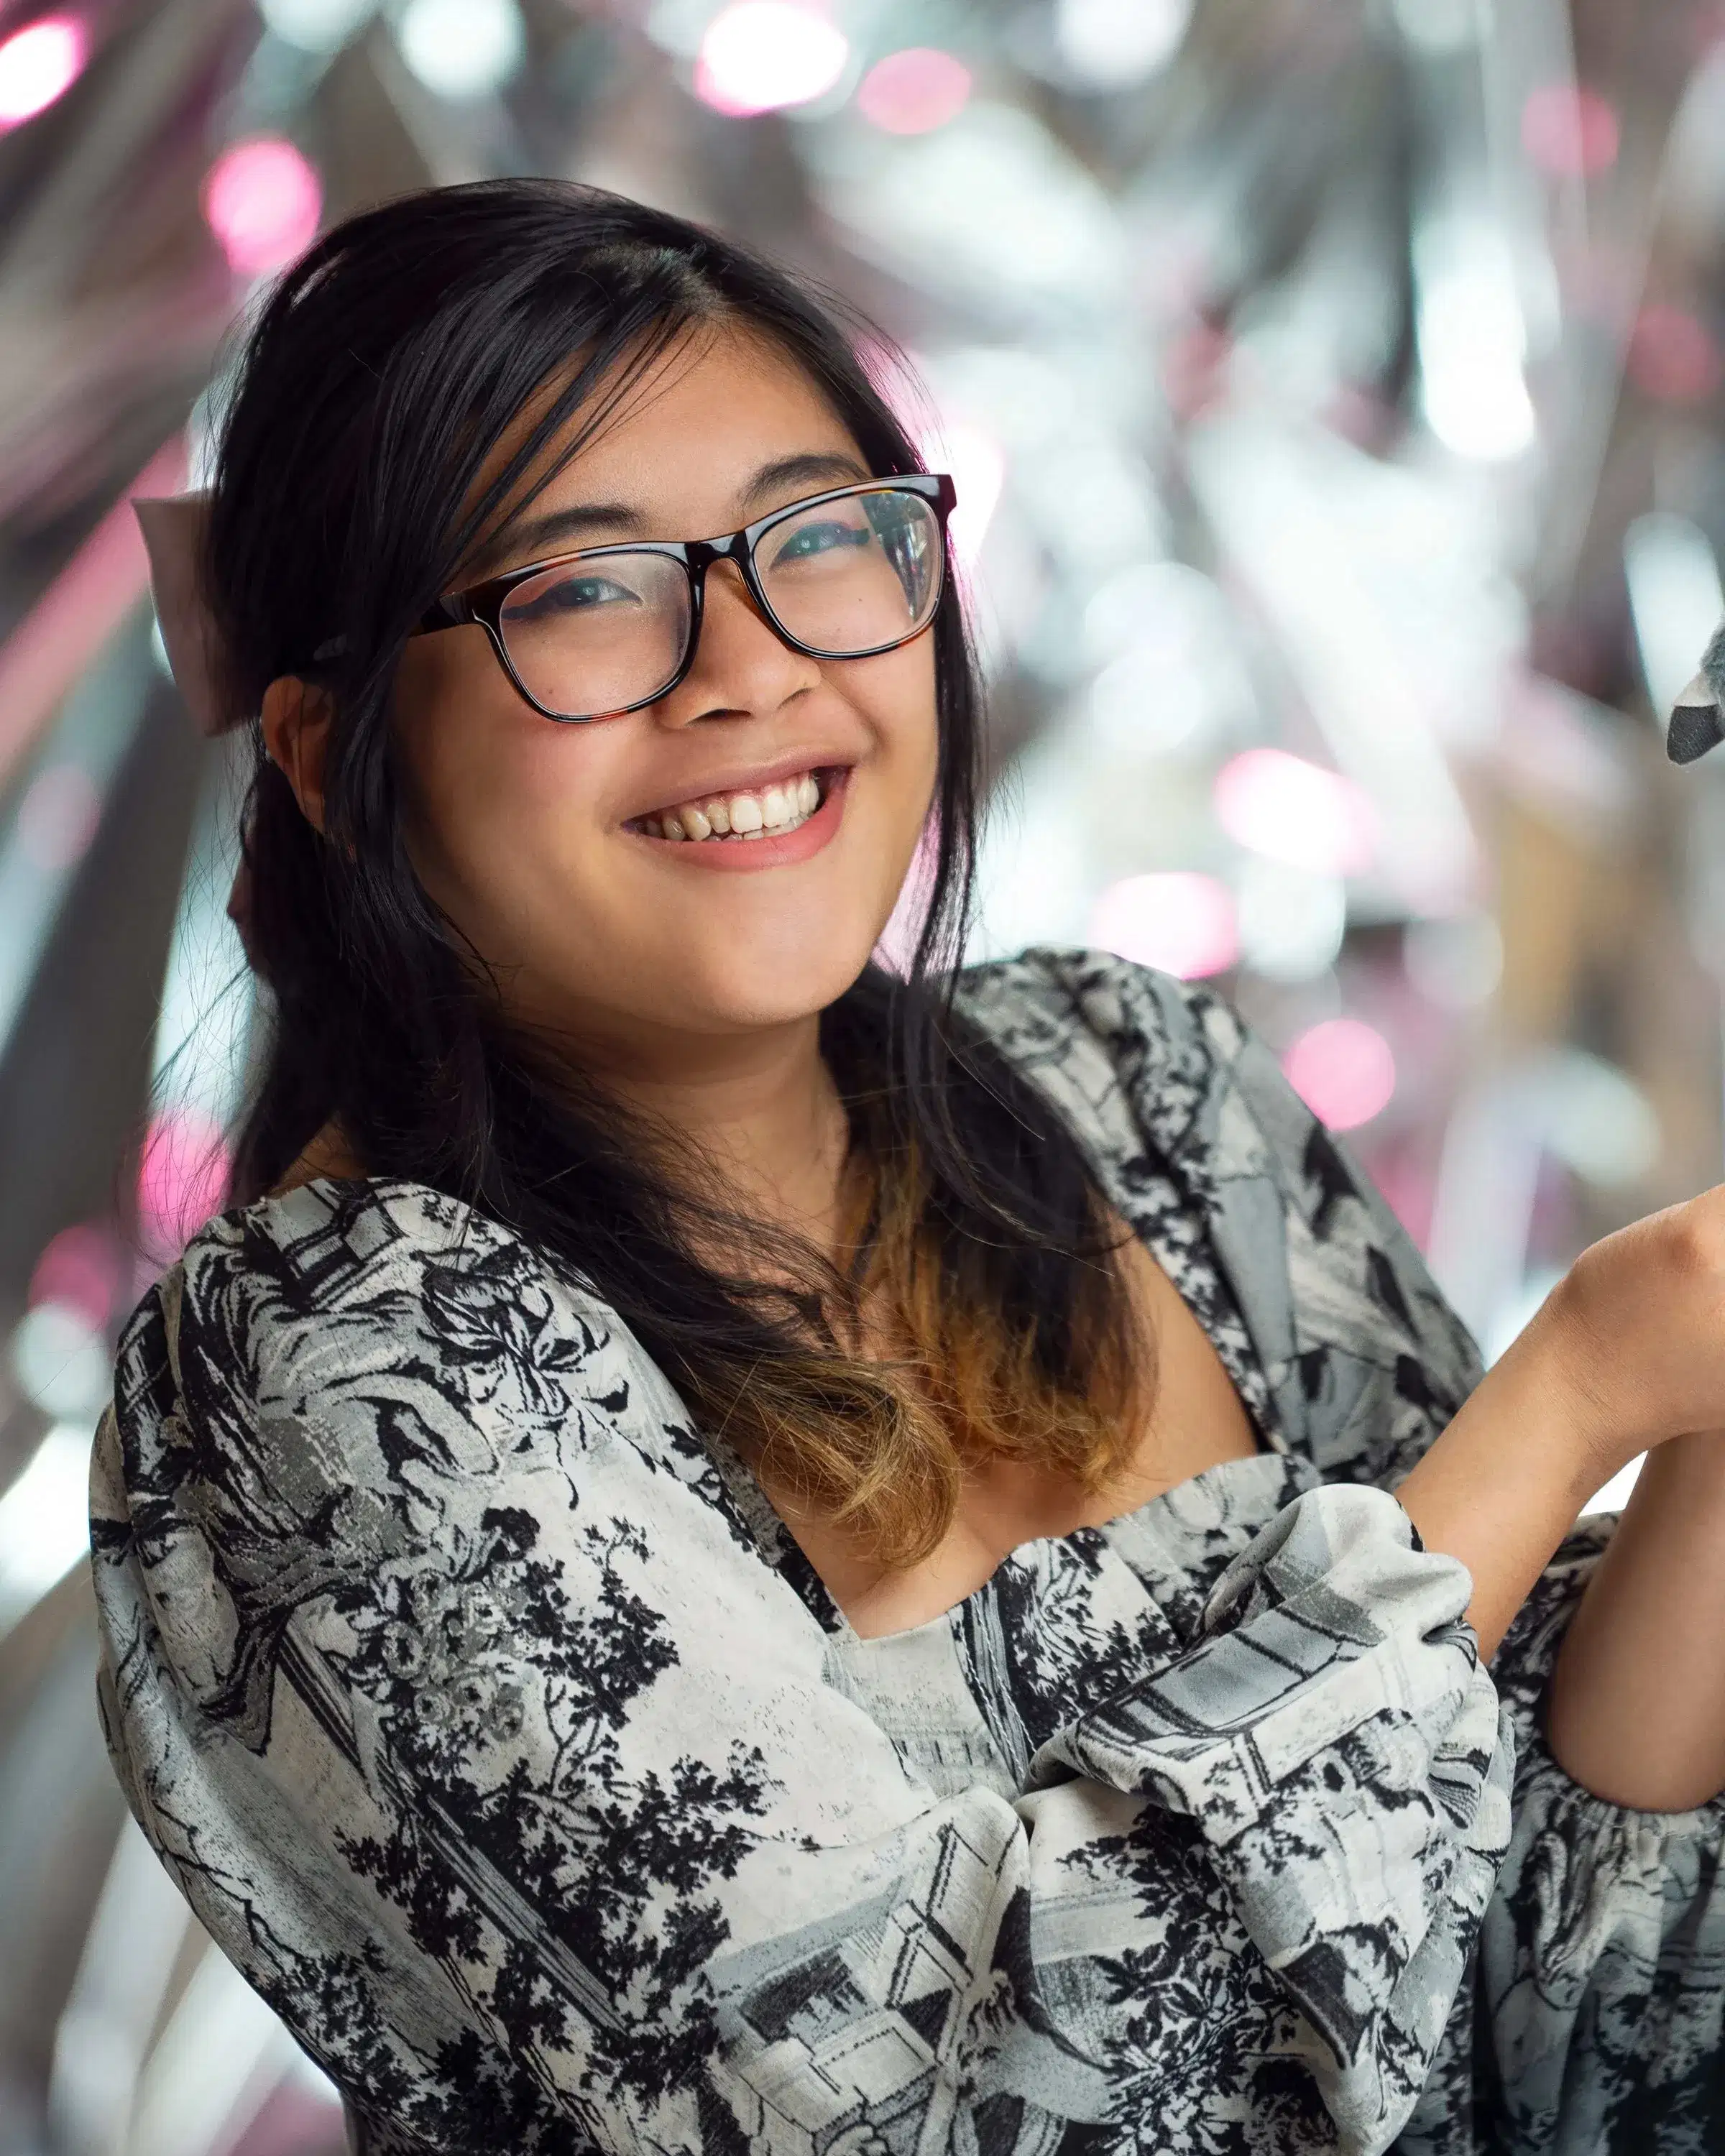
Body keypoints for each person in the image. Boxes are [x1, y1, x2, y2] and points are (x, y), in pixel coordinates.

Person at [91, 178, 1725, 2156]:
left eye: (815, 540)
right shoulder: (330, 1369)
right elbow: (919, 2118)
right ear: (341, 755)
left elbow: (1561, 2030)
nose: (749, 667)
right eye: (583, 588)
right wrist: (1562, 1401)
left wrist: (1704, 1366)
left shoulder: (1131, 1082)